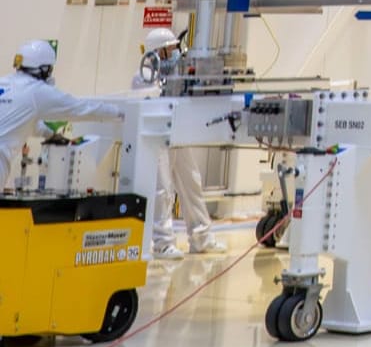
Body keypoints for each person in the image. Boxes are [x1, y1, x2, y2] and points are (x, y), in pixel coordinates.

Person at [133, 26, 219, 256]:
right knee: (163, 190)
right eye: (171, 49)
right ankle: (163, 242)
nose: (175, 54)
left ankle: (201, 237)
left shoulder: (176, 75)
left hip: (178, 134)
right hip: (158, 139)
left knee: (192, 182)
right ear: (158, 52)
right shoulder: (143, 77)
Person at [0, 41, 123, 191]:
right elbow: (79, 108)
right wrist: (119, 112)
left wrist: (51, 135)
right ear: (45, 69)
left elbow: (24, 122)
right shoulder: (36, 91)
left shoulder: (5, 83)